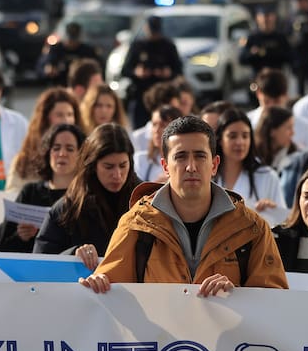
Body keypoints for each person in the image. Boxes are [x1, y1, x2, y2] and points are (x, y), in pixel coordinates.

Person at [79, 116, 288, 294]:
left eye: (199, 156)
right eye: (180, 157)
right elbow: (111, 298)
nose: (190, 167)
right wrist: (97, 287)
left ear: (214, 164)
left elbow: (274, 306)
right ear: (165, 166)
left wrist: (238, 295)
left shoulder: (252, 229)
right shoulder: (135, 225)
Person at [35, 123, 142, 264]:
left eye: (123, 165)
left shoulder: (145, 202)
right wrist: (72, 255)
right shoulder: (68, 209)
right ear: (92, 166)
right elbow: (41, 262)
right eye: (108, 167)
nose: (117, 175)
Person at [0, 124, 83, 253]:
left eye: (70, 148)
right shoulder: (30, 192)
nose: (62, 154)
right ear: (47, 152)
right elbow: (3, 246)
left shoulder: (84, 196)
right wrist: (21, 237)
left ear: (81, 154)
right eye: (56, 148)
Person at [6, 87, 82, 194]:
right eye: (59, 115)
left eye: (70, 114)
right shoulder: (24, 160)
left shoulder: (83, 154)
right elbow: (12, 194)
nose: (66, 120)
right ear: (45, 119)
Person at [214, 109, 286, 212]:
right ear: (220, 139)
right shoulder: (208, 176)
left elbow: (281, 221)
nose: (240, 142)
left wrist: (272, 210)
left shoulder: (267, 176)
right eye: (232, 136)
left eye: (245, 136)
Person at [121, 15, 183, 127]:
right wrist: (137, 72)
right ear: (146, 28)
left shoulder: (168, 46)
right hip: (141, 93)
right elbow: (125, 70)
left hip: (163, 96)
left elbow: (178, 70)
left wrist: (168, 73)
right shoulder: (138, 46)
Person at [39, 22, 101, 86]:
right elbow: (42, 65)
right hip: (59, 84)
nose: (71, 42)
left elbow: (98, 66)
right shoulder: (55, 49)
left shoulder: (87, 51)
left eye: (74, 40)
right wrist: (47, 70)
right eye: (69, 39)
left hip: (81, 85)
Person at [239, 9, 292, 76]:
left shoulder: (280, 37)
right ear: (257, 18)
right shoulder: (252, 38)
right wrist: (252, 53)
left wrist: (274, 52)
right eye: (263, 17)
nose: (266, 19)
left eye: (269, 17)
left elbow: (291, 56)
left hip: (276, 77)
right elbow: (242, 59)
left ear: (274, 18)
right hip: (258, 78)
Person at [135, 105, 181, 182]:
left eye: (163, 125)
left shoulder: (185, 160)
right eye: (154, 124)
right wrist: (156, 185)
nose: (156, 130)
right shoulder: (141, 159)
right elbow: (135, 192)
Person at [253, 106, 297, 172]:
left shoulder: (295, 155)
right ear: (272, 131)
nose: (293, 133)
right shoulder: (253, 154)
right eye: (288, 128)